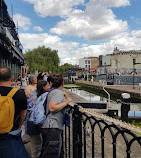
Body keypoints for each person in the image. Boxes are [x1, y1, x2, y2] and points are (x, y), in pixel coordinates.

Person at [0, 67, 30, 158]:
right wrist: (19, 126)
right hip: (11, 134)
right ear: (12, 78)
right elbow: (23, 115)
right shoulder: (19, 94)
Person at [40, 74, 72, 158]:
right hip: (52, 126)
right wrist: (66, 102)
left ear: (51, 83)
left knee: (47, 151)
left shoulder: (52, 91)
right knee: (51, 154)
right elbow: (52, 108)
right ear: (62, 83)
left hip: (48, 126)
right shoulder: (57, 93)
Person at [25, 79, 52, 158]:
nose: (49, 86)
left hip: (33, 123)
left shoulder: (35, 94)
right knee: (36, 146)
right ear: (43, 87)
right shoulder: (43, 96)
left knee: (37, 144)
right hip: (34, 124)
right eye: (47, 85)